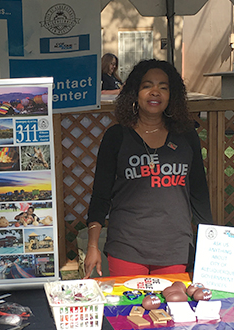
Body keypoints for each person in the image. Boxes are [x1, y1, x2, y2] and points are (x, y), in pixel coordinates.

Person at [84, 59, 213, 278]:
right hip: (127, 248)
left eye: (163, 87)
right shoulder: (116, 136)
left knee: (172, 310)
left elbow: (199, 194)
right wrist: (93, 246)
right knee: (128, 311)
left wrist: (209, 247)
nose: (155, 92)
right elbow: (101, 195)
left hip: (175, 249)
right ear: (135, 92)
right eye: (147, 86)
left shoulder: (186, 136)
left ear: (172, 96)